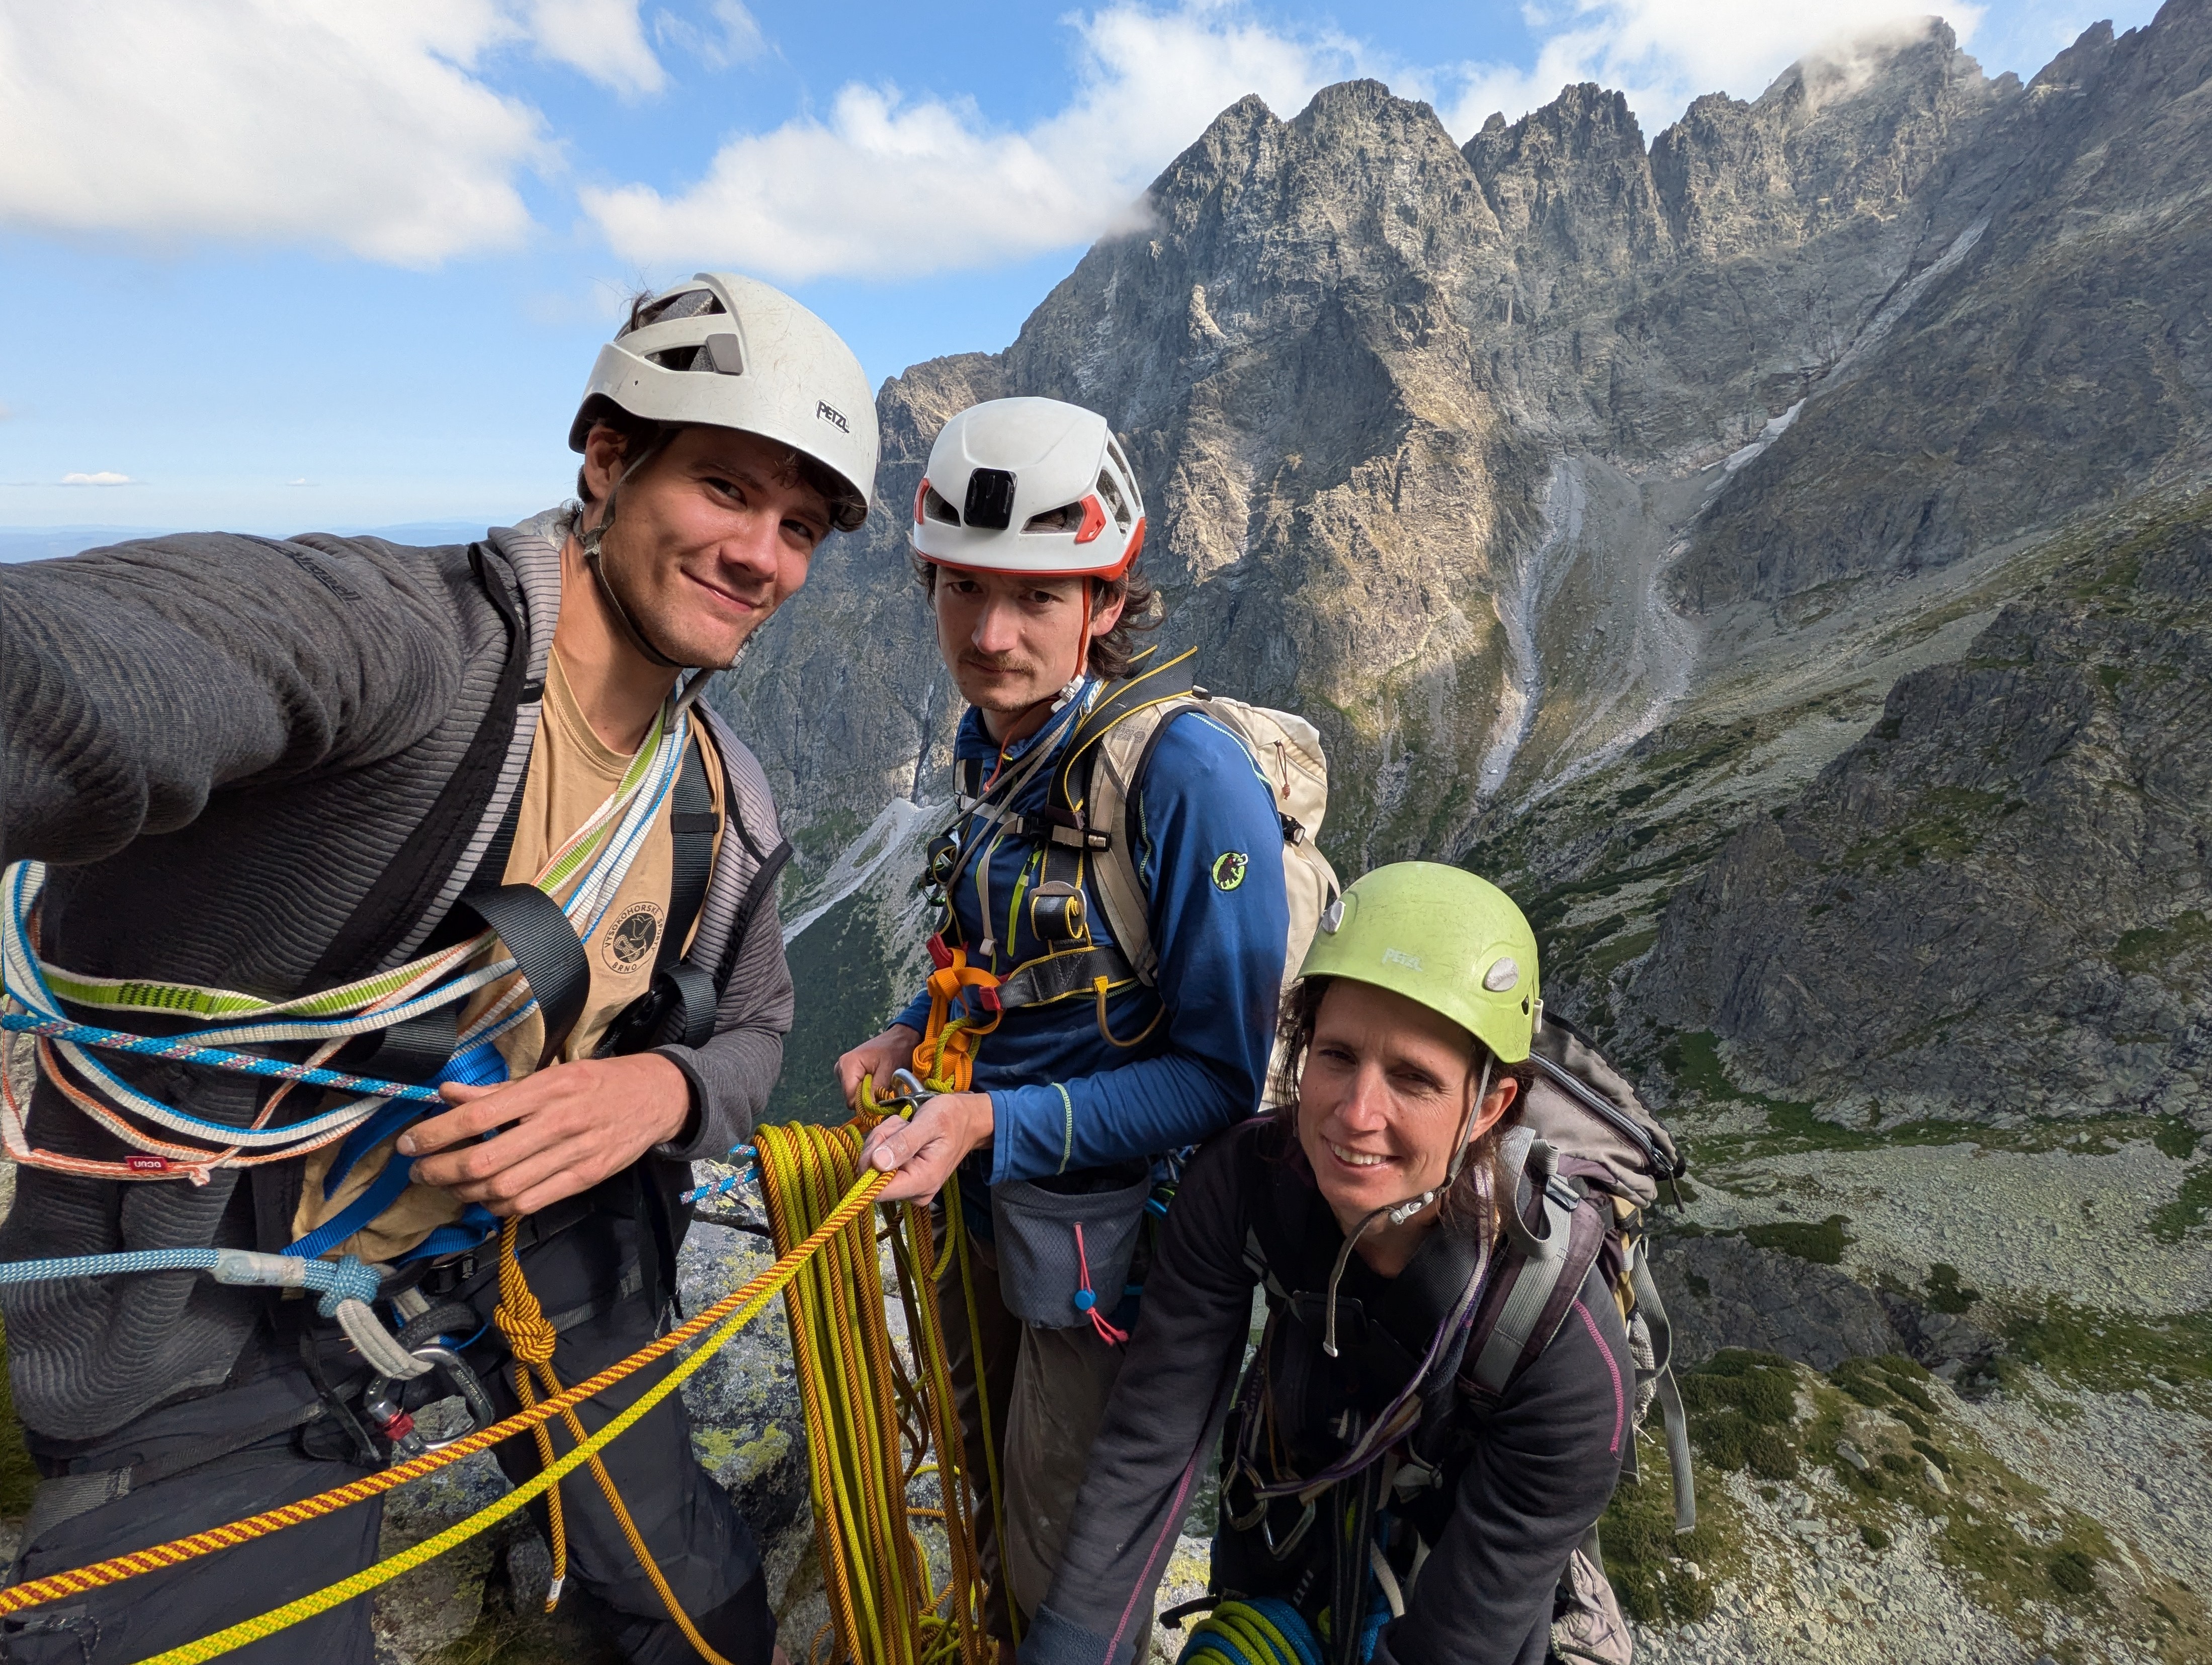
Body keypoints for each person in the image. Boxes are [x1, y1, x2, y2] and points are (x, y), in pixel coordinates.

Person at [0, 272, 877, 1663]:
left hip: (545, 1242)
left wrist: (656, 1091)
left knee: (702, 1610)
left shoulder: (721, 799)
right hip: (225, 1303)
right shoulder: (406, 649)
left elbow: (757, 1027)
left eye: (801, 527)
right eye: (723, 487)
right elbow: (95, 671)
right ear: (607, 460)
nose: (761, 554)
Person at [834, 396, 1294, 1643]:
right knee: (983, 1477)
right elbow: (1000, 949)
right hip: (995, 1201)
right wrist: (907, 1028)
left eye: (1035, 596)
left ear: (1104, 600)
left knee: (1060, 1562)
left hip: (1120, 1251)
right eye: (962, 588)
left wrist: (987, 1120)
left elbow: (1219, 1075)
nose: (990, 633)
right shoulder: (1001, 746)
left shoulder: (1185, 777)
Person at [1017, 863, 1636, 1665]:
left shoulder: (1564, 1342)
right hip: (1292, 1492)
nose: (1356, 1112)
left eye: (1413, 1078)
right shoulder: (1242, 1183)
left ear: (1489, 1107)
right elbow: (1152, 1443)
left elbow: (1461, 1637)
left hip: (1462, 1555)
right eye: (1337, 1055)